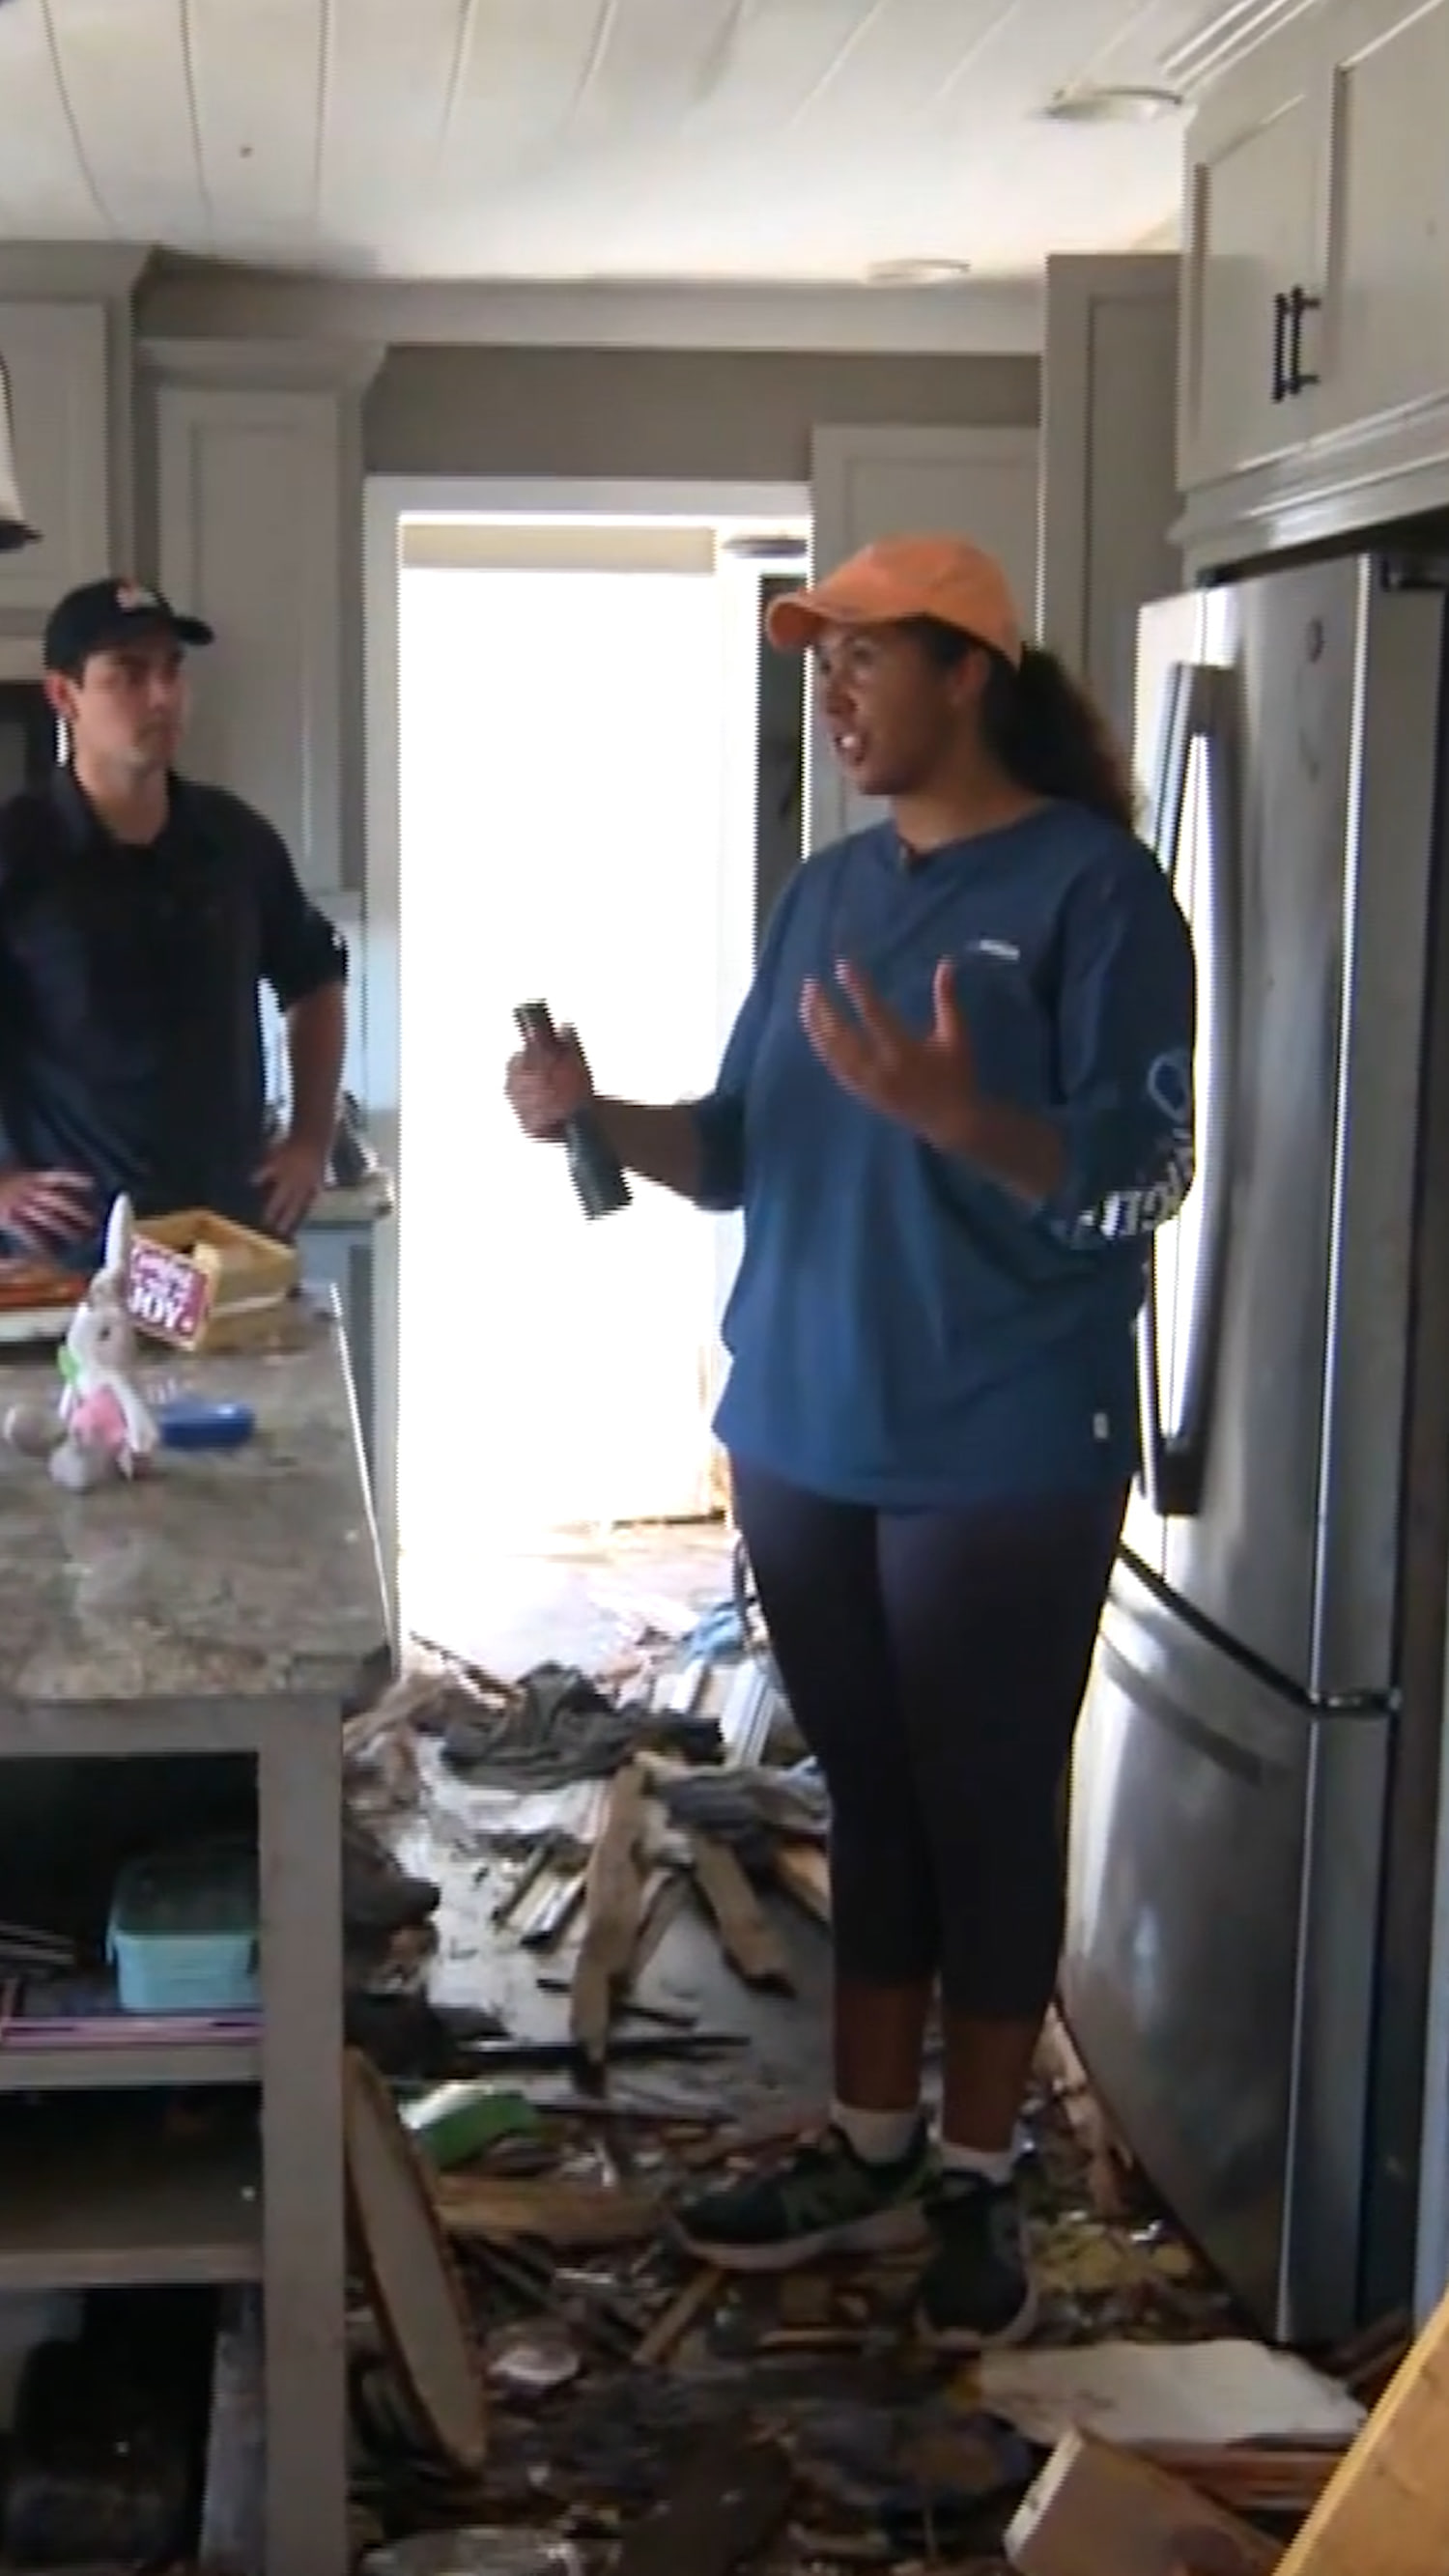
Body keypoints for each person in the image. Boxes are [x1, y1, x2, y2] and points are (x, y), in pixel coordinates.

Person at [505, 534, 1196, 2351]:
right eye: (821, 661)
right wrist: (595, 1114)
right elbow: (741, 1143)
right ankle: (872, 2141)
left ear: (970, 671)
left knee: (986, 1805)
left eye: (865, 654)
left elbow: (1147, 1172)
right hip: (805, 1420)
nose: (832, 690)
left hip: (1003, 1434)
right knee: (871, 1798)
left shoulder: (1097, 892)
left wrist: (971, 1116)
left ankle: (980, 2180)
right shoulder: (824, 893)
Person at [0, 578, 348, 1263]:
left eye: (171, 670)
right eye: (129, 674)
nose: (162, 695)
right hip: (65, 1255)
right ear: (64, 696)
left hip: (225, 1239)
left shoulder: (235, 840)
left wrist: (310, 1140)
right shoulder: (17, 850)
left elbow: (315, 981)